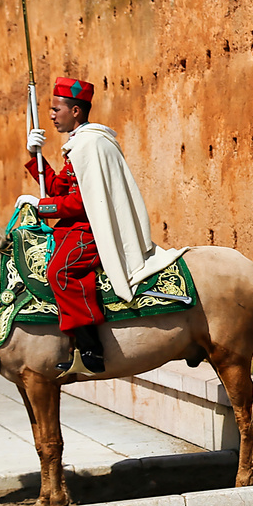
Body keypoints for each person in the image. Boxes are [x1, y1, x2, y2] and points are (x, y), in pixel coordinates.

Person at [24, 77, 182, 376]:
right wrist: (36, 158)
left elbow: (79, 204)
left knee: (61, 270)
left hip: (91, 228)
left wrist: (39, 206)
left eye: (57, 109)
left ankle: (90, 347)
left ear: (76, 111)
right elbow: (60, 188)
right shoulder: (78, 144)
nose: (51, 115)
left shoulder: (91, 143)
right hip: (73, 226)